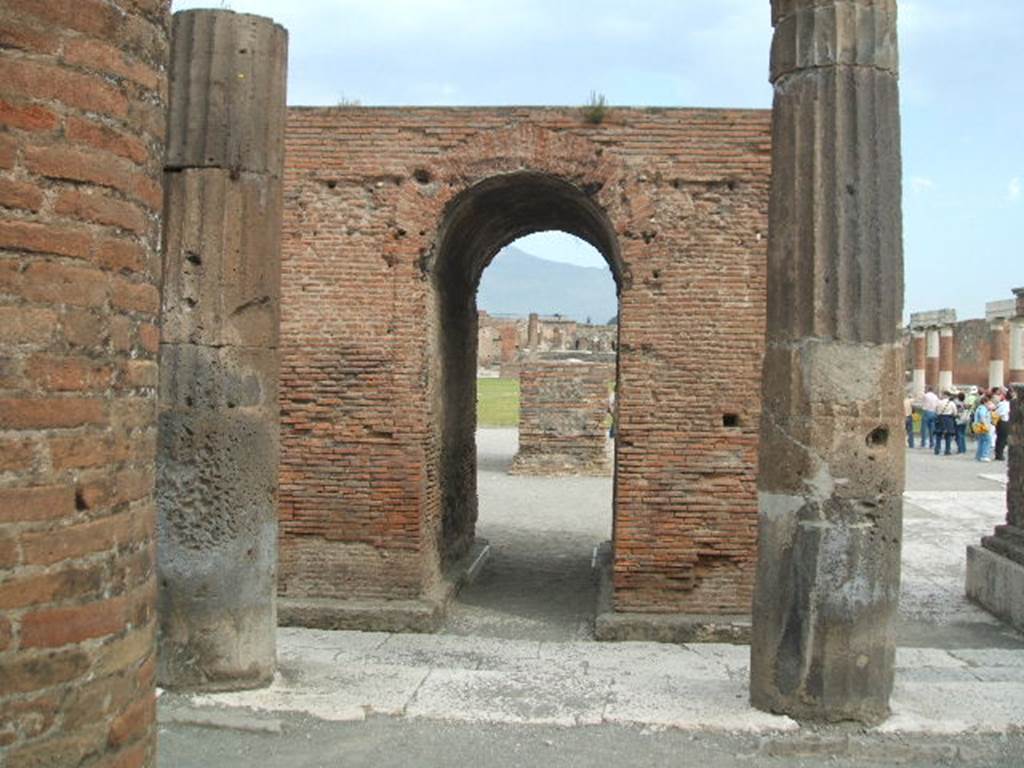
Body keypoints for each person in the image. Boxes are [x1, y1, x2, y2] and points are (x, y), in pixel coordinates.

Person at [933, 390, 957, 456]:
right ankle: (947, 450)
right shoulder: (951, 403)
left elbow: (935, 410)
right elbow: (955, 412)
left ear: (944, 395)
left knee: (938, 434)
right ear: (948, 396)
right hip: (948, 419)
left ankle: (937, 449)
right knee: (948, 435)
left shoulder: (939, 402)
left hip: (940, 418)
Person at [973, 394, 994, 462]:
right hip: (983, 427)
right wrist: (986, 425)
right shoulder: (983, 408)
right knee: (987, 441)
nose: (989, 404)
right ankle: (984, 456)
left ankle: (979, 455)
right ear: (985, 402)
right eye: (988, 403)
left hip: (979, 426)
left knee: (981, 441)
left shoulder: (979, 407)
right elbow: (982, 417)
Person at [994, 388, 1011, 461]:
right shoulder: (1005, 404)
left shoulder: (1003, 404)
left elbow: (997, 412)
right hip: (1004, 422)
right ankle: (999, 454)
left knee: (1001, 439)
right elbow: (1000, 413)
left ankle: (998, 453)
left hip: (1002, 422)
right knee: (1002, 439)